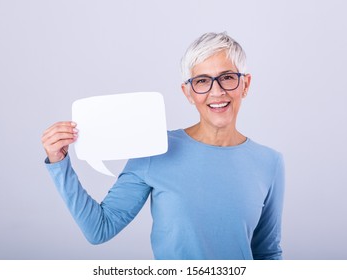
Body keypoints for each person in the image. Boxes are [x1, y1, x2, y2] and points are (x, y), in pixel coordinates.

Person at [41, 32, 285, 260]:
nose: (217, 91)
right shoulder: (155, 150)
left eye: (228, 77)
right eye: (202, 81)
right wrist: (59, 163)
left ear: (246, 84)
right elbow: (99, 229)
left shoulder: (269, 162)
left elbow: (267, 253)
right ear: (188, 92)